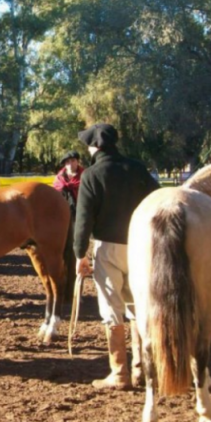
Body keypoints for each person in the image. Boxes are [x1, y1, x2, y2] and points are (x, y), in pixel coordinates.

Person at [74, 123, 159, 390]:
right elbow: (157, 200)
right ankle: (141, 368)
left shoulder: (92, 175)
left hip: (108, 248)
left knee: (112, 309)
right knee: (137, 307)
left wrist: (80, 255)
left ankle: (119, 373)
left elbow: (83, 219)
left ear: (95, 146)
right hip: (141, 245)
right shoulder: (137, 168)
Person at [52, 150, 84, 220]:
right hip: (62, 212)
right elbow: (55, 195)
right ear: (65, 165)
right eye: (67, 162)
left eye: (73, 161)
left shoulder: (85, 176)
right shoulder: (59, 178)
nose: (70, 164)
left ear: (77, 161)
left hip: (82, 211)